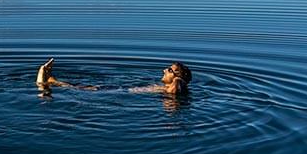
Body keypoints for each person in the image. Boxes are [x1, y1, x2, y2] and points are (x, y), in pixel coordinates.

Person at [36, 58, 191, 95]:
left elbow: (178, 86)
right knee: (89, 88)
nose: (164, 70)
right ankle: (49, 82)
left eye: (170, 70)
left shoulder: (177, 84)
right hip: (122, 90)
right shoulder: (166, 87)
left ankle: (49, 82)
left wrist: (178, 79)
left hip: (120, 92)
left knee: (89, 90)